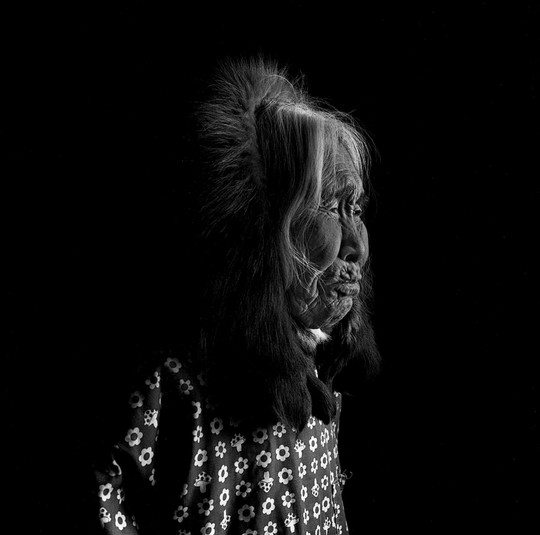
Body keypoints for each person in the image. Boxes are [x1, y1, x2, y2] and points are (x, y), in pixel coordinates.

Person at [93, 56, 380, 534]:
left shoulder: (320, 366)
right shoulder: (175, 382)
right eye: (329, 206)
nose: (358, 247)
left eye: (356, 209)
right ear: (264, 230)